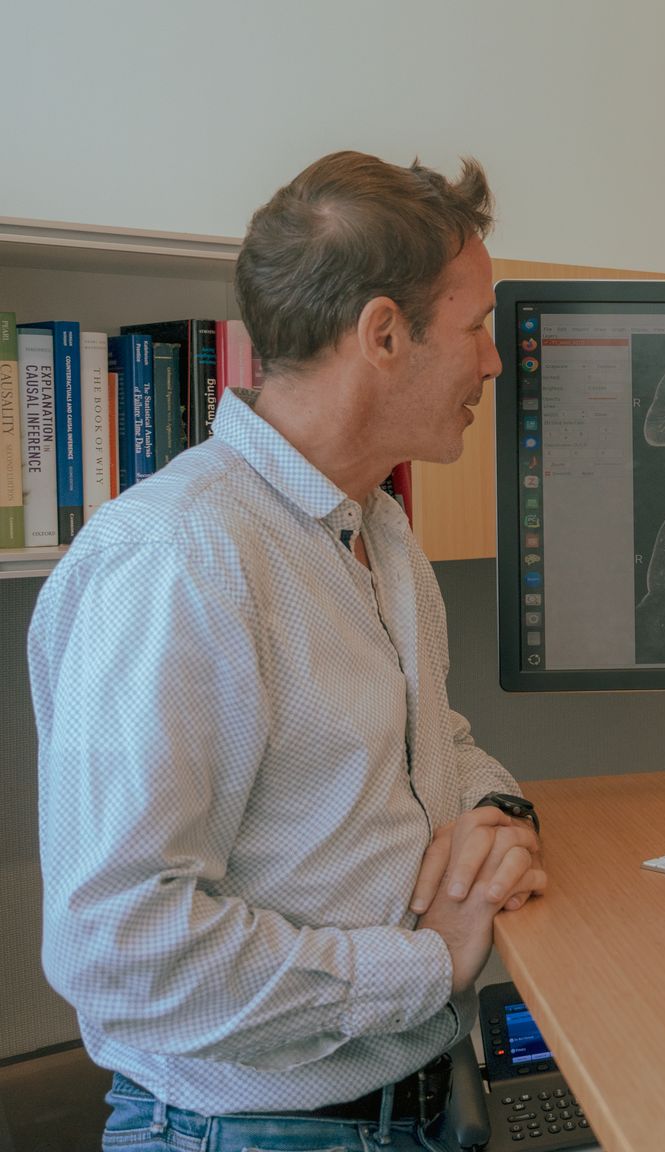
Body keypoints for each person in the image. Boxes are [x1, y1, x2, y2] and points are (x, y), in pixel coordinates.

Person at [32, 151, 543, 1152]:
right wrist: (428, 963)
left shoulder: (375, 531)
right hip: (256, 1132)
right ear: (384, 335)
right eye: (477, 325)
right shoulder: (178, 559)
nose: (491, 362)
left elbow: (419, 742)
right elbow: (122, 950)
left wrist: (494, 808)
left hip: (415, 1101)